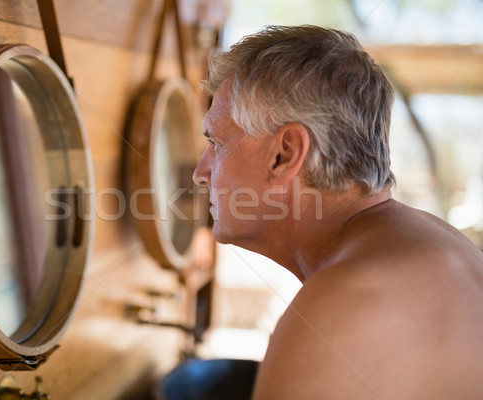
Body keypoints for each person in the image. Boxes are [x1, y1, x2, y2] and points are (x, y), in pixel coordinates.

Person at [192, 25, 483, 399]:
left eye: (216, 143)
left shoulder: (343, 309)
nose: (201, 173)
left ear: (284, 155)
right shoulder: (432, 243)